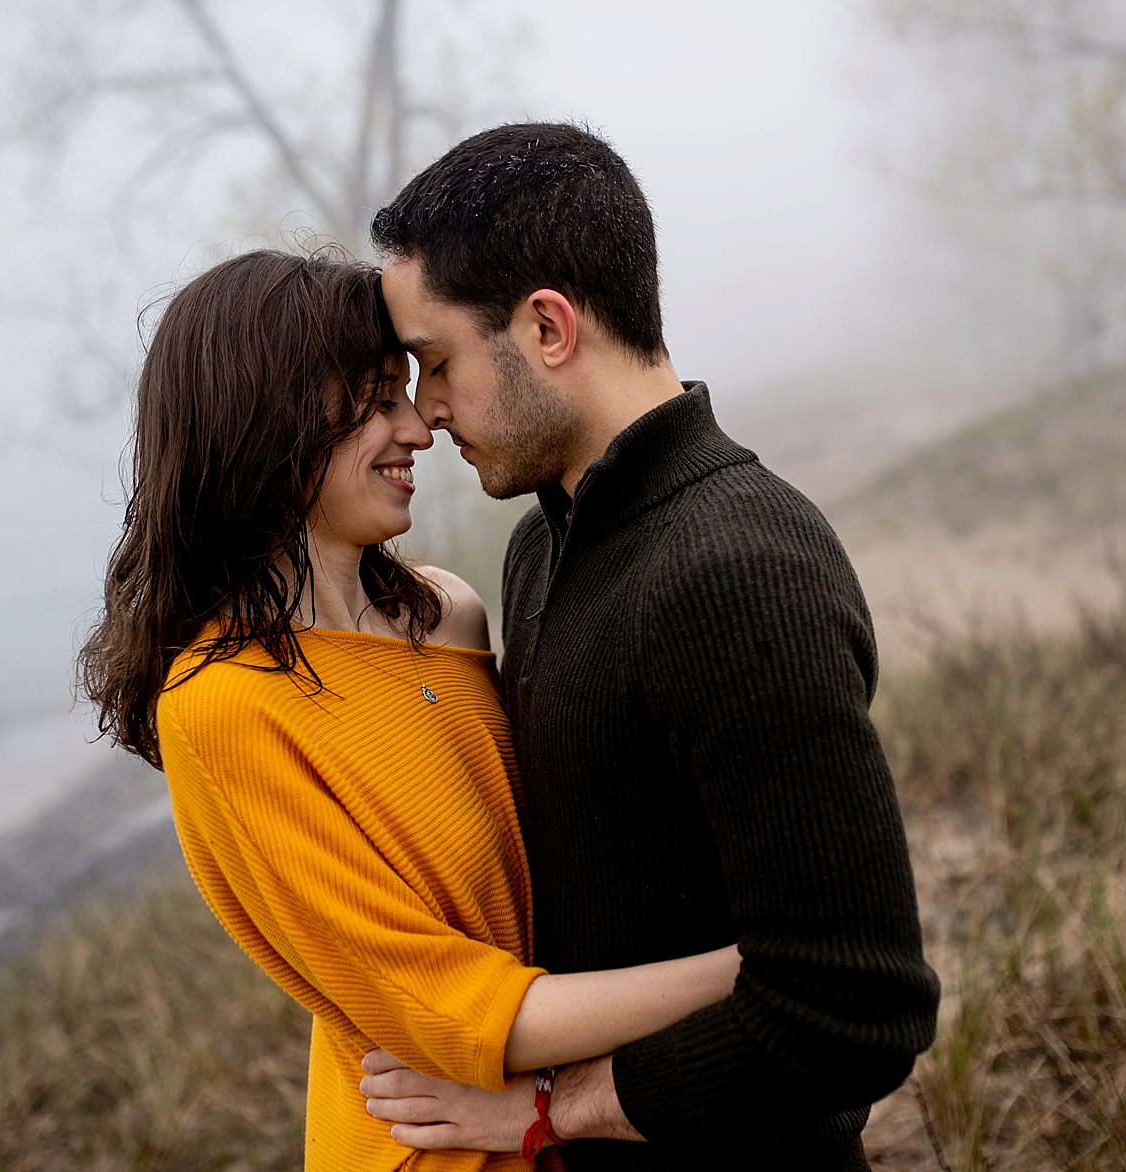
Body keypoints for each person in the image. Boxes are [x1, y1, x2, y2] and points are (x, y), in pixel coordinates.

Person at [77, 249, 744, 1172]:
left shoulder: (450, 612)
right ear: (264, 420)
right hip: (426, 1147)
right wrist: (758, 971)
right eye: (374, 400)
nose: (418, 431)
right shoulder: (223, 704)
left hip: (566, 1123)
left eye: (409, 389)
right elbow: (447, 1009)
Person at [358, 123, 941, 1170]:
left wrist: (550, 1108)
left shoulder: (736, 568)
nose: (426, 409)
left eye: (436, 362)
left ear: (547, 327)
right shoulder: (542, 546)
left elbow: (855, 1006)